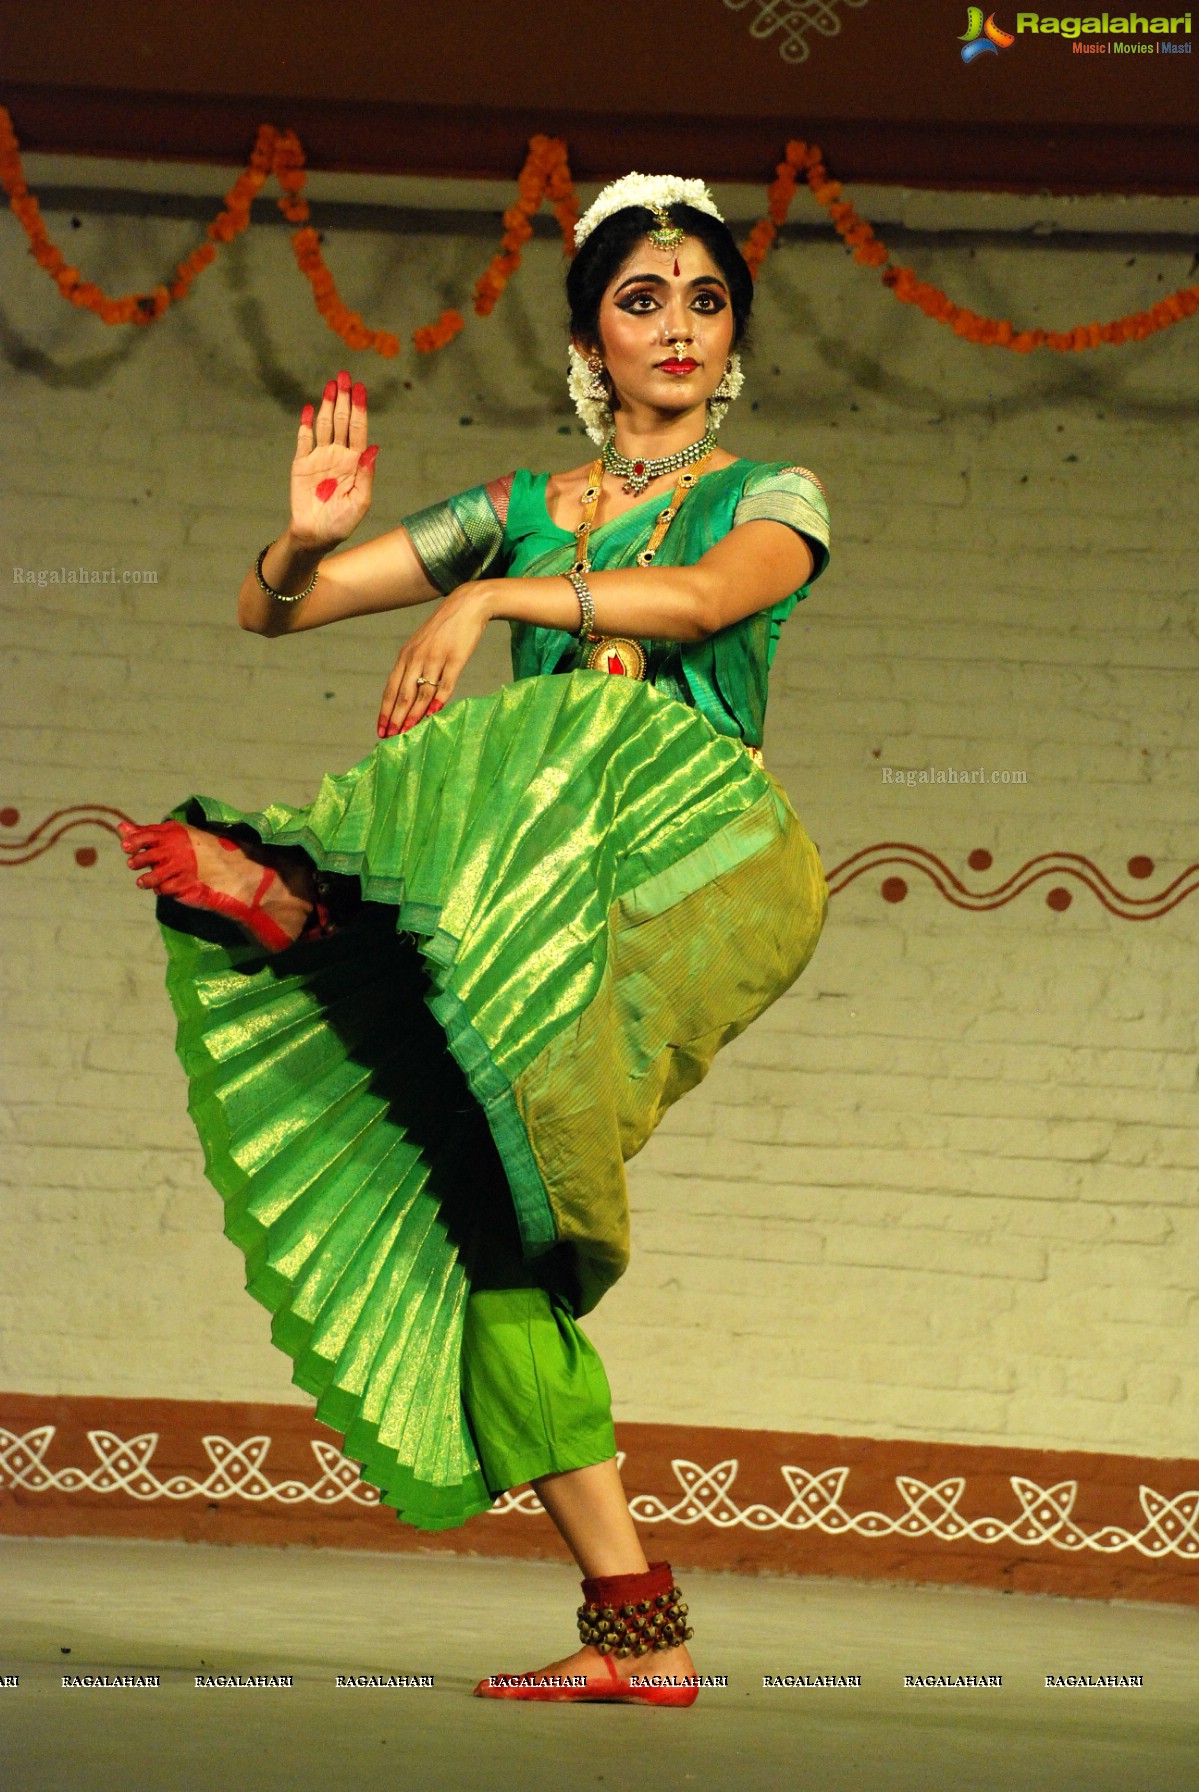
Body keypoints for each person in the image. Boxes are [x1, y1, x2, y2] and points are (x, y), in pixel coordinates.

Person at [119, 173, 831, 1706]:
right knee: (493, 1227)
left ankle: (329, 937)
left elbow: (706, 602)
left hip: (697, 865)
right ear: (589, 336)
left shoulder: (773, 493)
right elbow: (276, 616)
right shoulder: (520, 499)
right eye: (643, 301)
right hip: (538, 886)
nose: (680, 327)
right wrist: (302, 543)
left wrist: (498, 596)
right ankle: (637, 1628)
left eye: (706, 300)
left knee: (479, 1073)